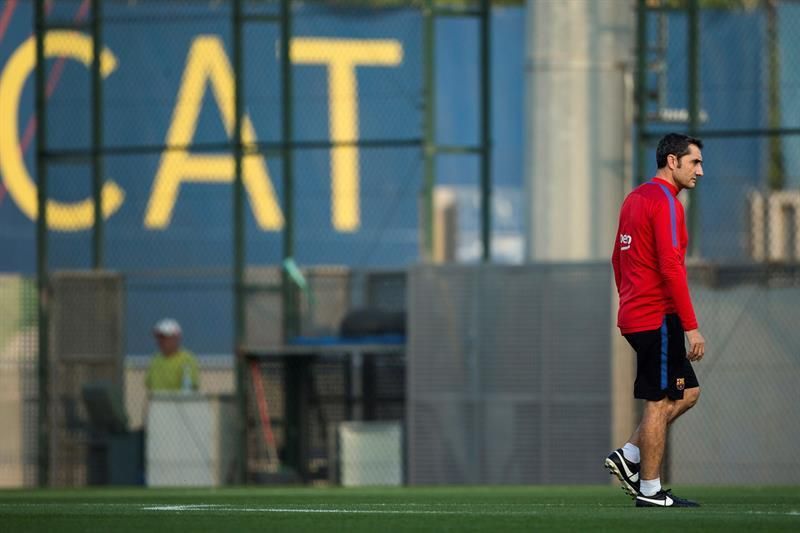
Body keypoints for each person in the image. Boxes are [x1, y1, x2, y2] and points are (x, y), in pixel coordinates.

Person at [606, 133, 706, 508]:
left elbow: (617, 259)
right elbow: (670, 266)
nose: (700, 170)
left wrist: (629, 299)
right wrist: (691, 324)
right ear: (672, 162)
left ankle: (630, 454)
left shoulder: (635, 198)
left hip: (637, 314)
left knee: (688, 393)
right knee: (659, 401)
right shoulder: (665, 202)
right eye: (694, 162)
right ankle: (649, 490)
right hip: (657, 316)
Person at [145, 318, 200, 392]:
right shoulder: (155, 359)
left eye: (164, 337)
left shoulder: (187, 359)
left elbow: (190, 389)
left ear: (176, 338)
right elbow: (149, 384)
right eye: (158, 337)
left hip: (180, 403)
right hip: (157, 402)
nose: (160, 341)